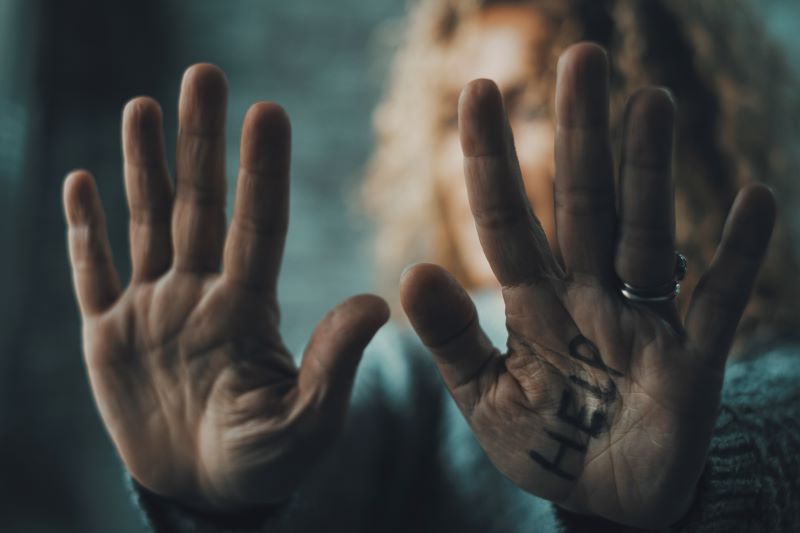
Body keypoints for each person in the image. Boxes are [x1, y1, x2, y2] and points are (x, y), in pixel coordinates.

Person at [61, 0, 800, 531]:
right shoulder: (416, 377)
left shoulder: (773, 379)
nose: (481, 154)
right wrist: (222, 506)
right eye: (457, 115)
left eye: (530, 104)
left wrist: (696, 490)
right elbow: (336, 471)